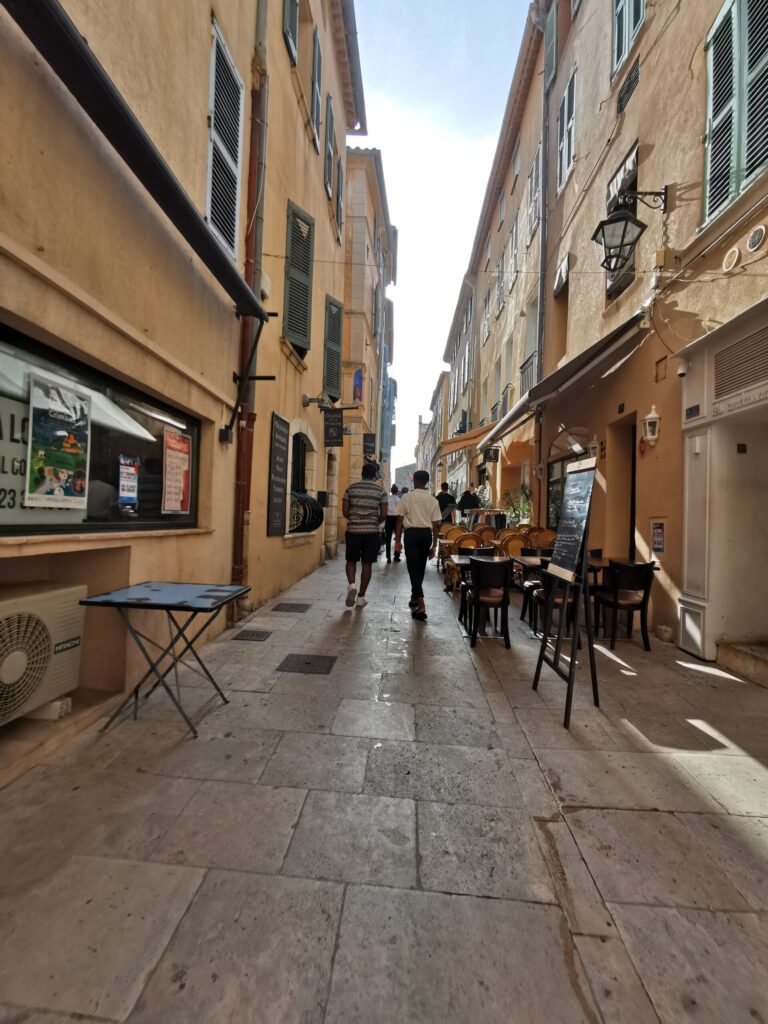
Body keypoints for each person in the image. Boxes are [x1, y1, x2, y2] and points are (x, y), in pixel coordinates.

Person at [395, 470, 441, 621]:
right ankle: (414, 597)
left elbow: (399, 520)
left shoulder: (407, 497)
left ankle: (421, 605)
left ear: (414, 480)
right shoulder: (433, 501)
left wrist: (397, 541)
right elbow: (436, 525)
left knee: (413, 568)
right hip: (426, 535)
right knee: (420, 568)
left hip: (412, 535)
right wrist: (434, 546)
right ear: (427, 482)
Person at [341, 462, 387, 609]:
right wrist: (374, 522)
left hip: (353, 531)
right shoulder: (381, 491)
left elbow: (345, 511)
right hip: (371, 533)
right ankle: (361, 597)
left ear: (362, 473)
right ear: (375, 476)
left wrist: (354, 518)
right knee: (367, 564)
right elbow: (384, 514)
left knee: (351, 560)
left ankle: (352, 585)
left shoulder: (351, 488)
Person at [384, 484, 401, 563]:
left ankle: (388, 558)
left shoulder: (387, 499)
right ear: (397, 491)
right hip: (397, 519)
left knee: (388, 539)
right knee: (398, 538)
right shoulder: (399, 500)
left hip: (388, 519)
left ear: (391, 491)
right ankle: (396, 556)